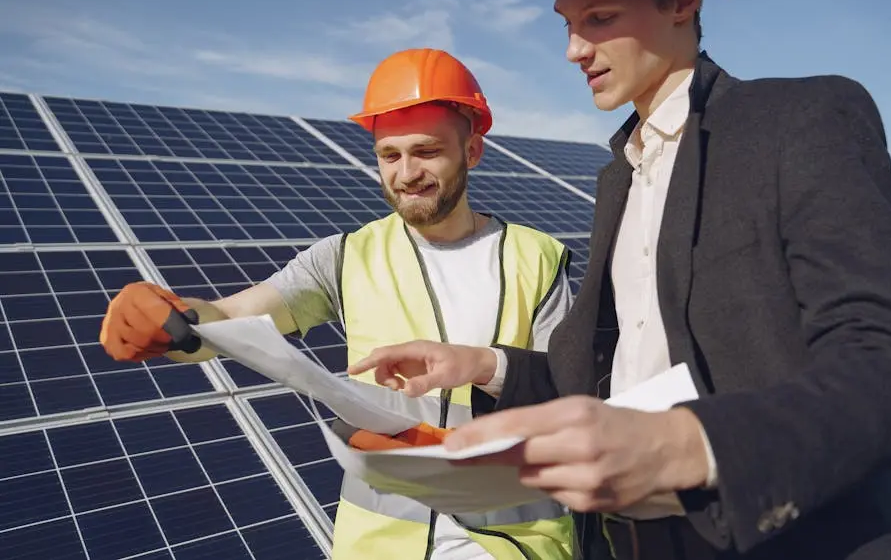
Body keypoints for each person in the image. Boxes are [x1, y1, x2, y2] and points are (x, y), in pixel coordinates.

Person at [346, 0, 891, 559]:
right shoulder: (621, 174)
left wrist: (687, 445)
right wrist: (478, 366)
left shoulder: (798, 121)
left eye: (600, 19)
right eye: (569, 24)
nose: (575, 49)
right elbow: (614, 383)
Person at [98, 48, 576, 560]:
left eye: (427, 151)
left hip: (512, 545)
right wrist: (171, 320)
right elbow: (232, 319)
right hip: (376, 548)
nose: (406, 172)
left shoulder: (537, 258)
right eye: (389, 155)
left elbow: (573, 398)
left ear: (473, 151)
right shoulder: (346, 257)